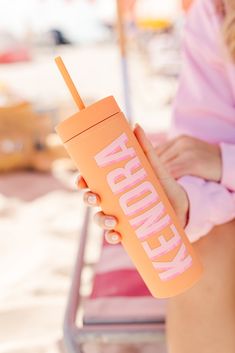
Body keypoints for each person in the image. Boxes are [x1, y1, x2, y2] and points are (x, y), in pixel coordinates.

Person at [77, 0, 235, 352]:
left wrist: (225, 162)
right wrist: (185, 205)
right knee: (200, 246)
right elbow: (206, 157)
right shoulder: (215, 13)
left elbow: (219, 161)